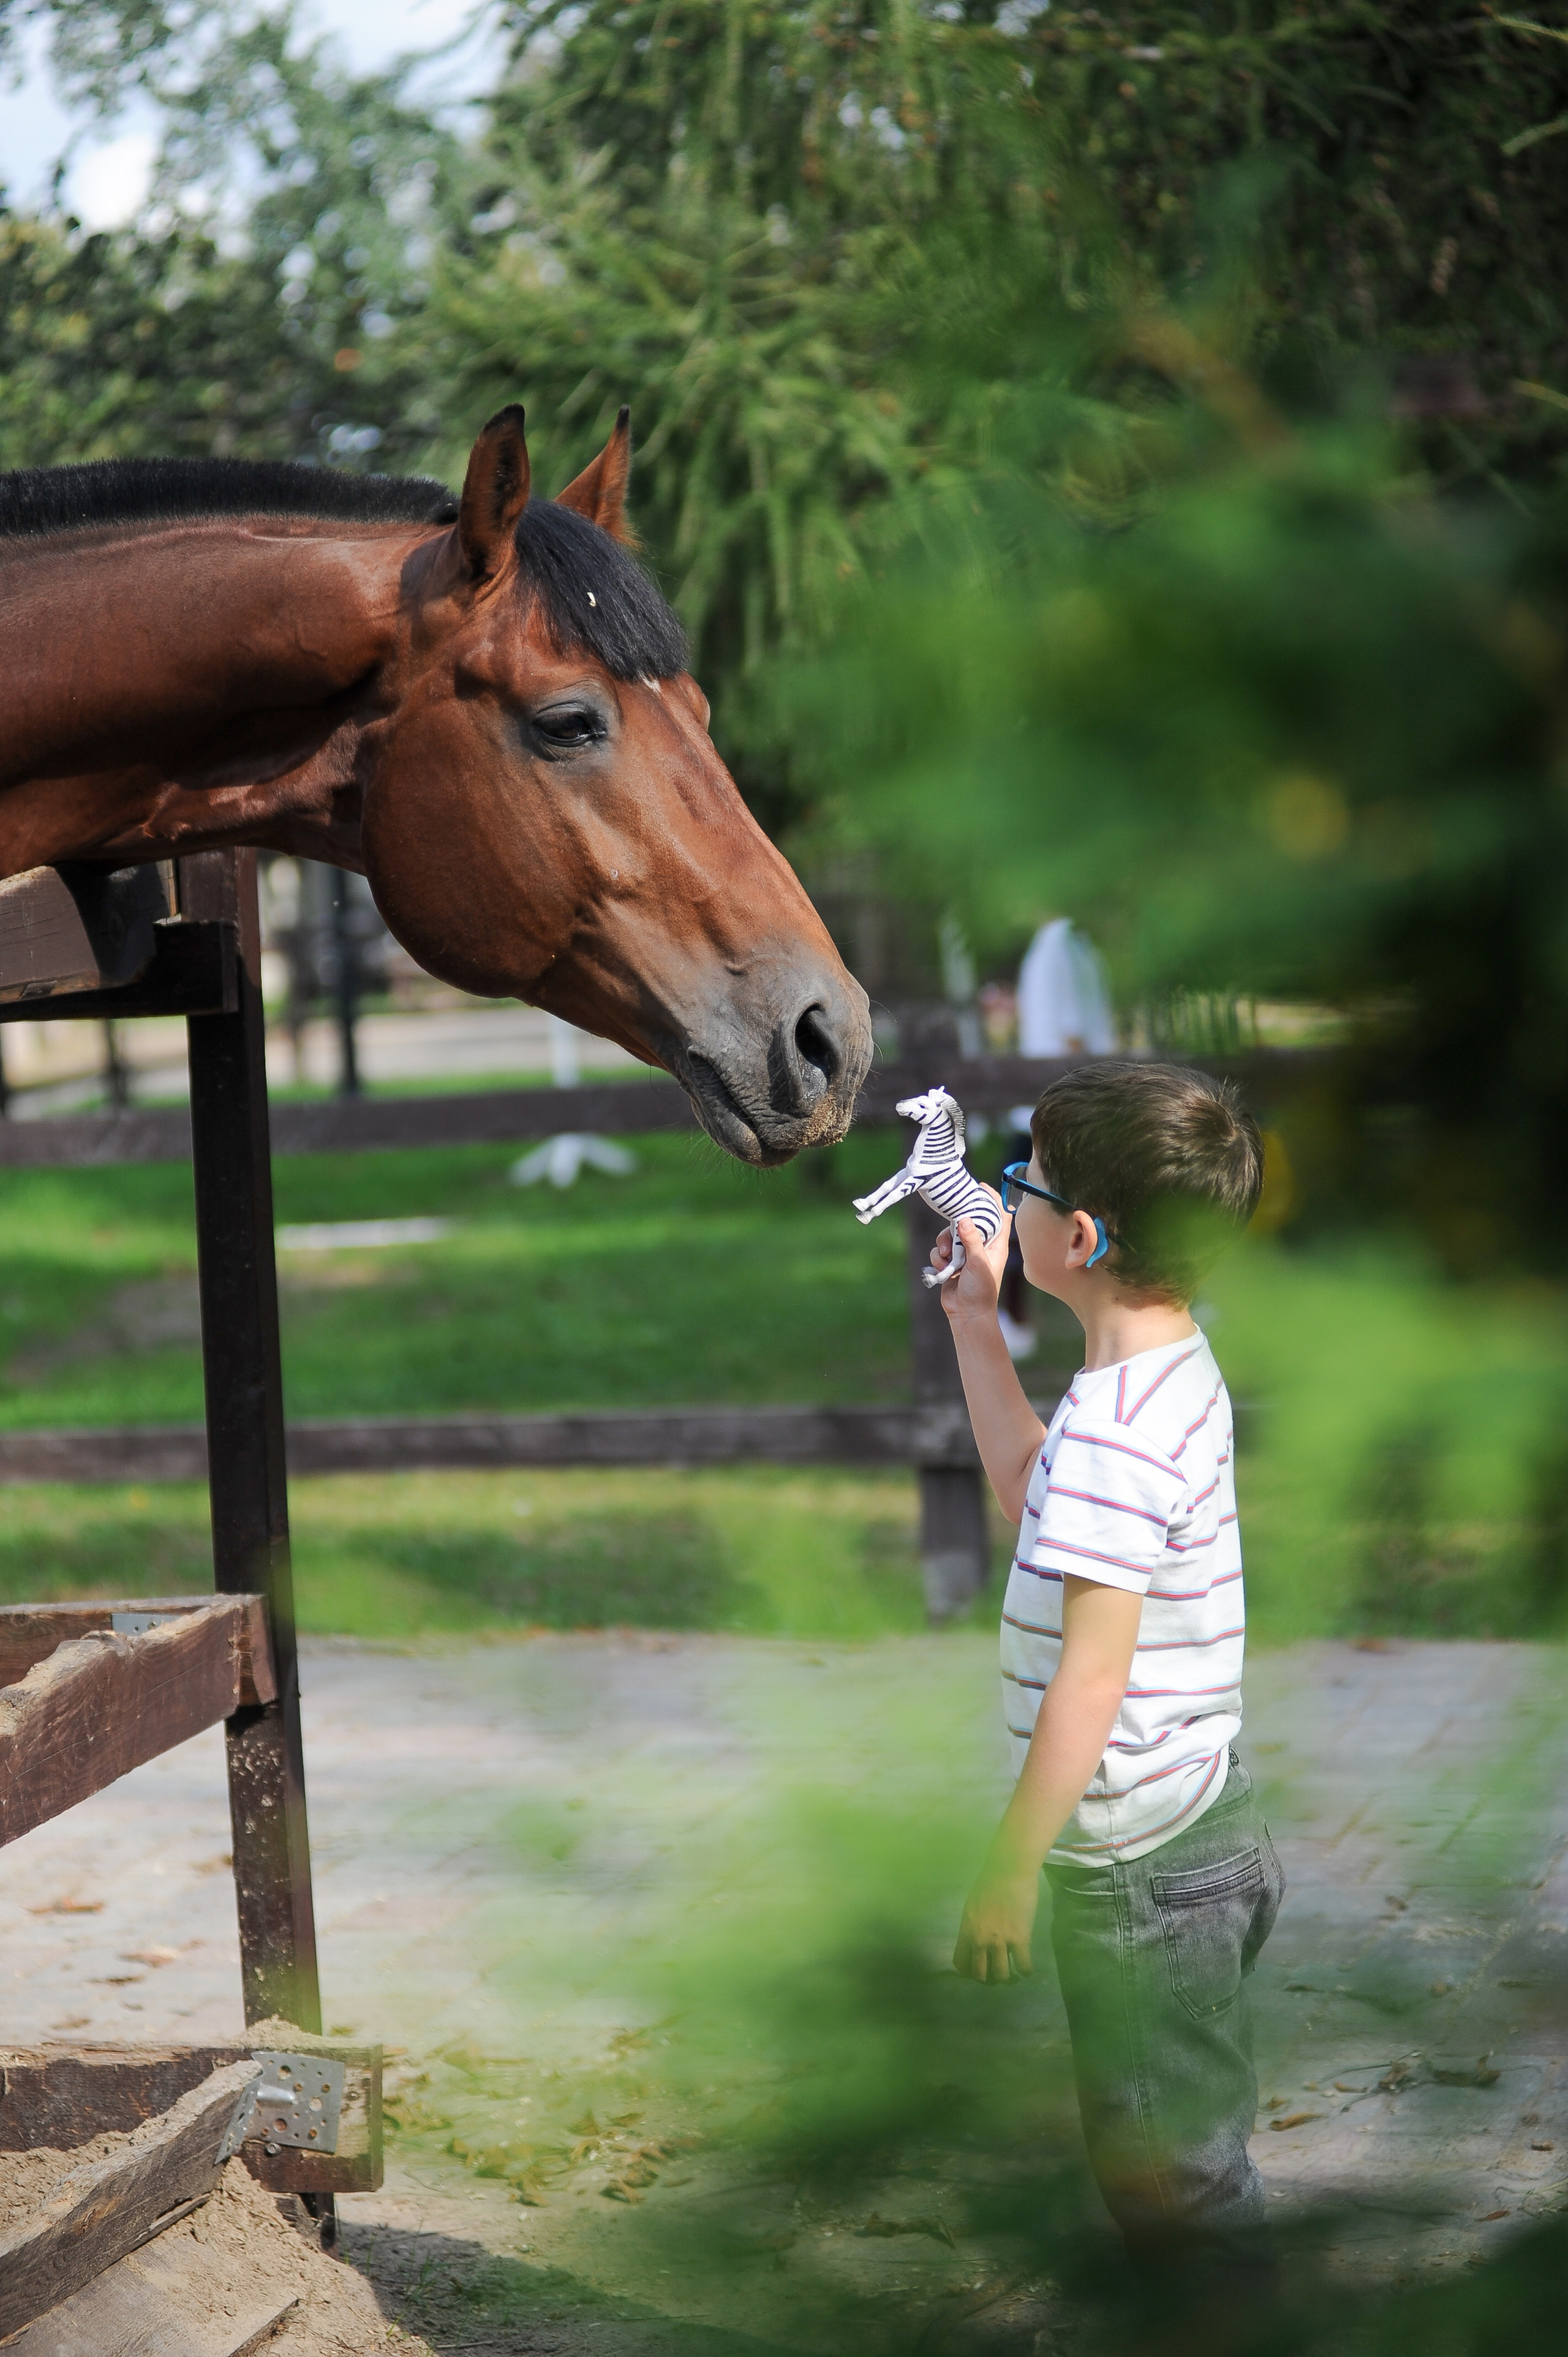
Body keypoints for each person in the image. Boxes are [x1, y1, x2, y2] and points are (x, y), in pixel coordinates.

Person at [932, 1061, 1281, 2291]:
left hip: (1138, 1871)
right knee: (1171, 2154)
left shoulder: (1122, 1431)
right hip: (1194, 1822)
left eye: (1019, 1180)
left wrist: (1008, 1863)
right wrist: (978, 1320)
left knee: (1168, 2177)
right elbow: (1039, 1500)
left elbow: (1092, 1675)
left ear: (1073, 1235)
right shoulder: (1155, 1375)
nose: (1003, 1197)